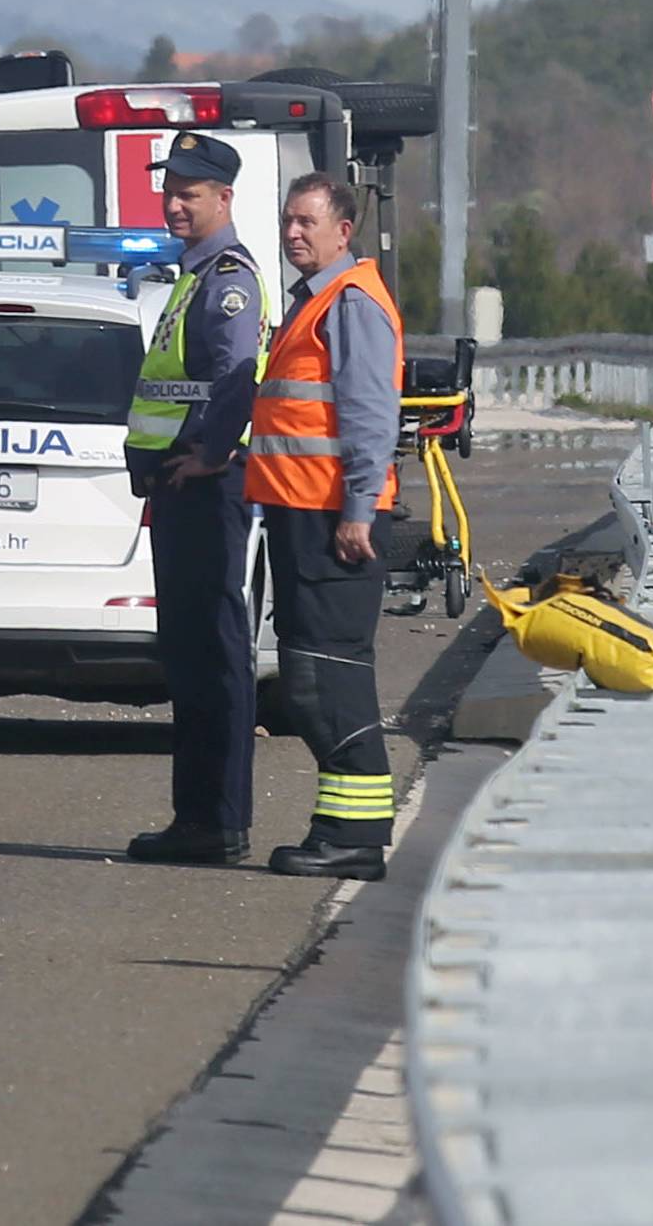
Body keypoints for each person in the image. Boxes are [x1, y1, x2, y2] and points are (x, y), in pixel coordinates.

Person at [247, 173, 404, 881]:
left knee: (328, 679)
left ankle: (355, 834)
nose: (292, 233)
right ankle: (346, 829)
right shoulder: (313, 303)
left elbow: (371, 414)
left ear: (345, 229)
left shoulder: (351, 304)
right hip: (300, 512)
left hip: (331, 519)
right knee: (315, 676)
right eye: (287, 221)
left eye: (307, 221)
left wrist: (359, 509)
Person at [123, 132, 271, 865]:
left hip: (207, 492)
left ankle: (216, 819)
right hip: (182, 492)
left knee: (213, 653)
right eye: (170, 190)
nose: (175, 203)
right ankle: (198, 817)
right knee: (188, 655)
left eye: (191, 193)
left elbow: (238, 374)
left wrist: (210, 454)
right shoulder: (195, 274)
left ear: (224, 199)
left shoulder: (229, 277)